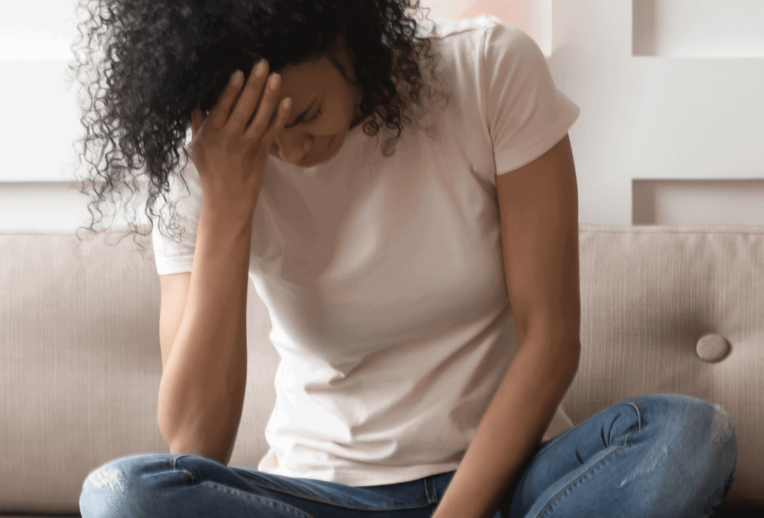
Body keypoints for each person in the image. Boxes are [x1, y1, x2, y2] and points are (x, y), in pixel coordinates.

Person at [72, 1, 736, 517]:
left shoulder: (486, 71)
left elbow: (552, 339)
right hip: (320, 492)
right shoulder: (212, 162)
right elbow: (193, 441)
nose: (293, 152)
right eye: (267, 141)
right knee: (119, 496)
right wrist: (227, 204)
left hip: (509, 479)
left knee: (689, 439)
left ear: (346, 39)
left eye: (304, 115)